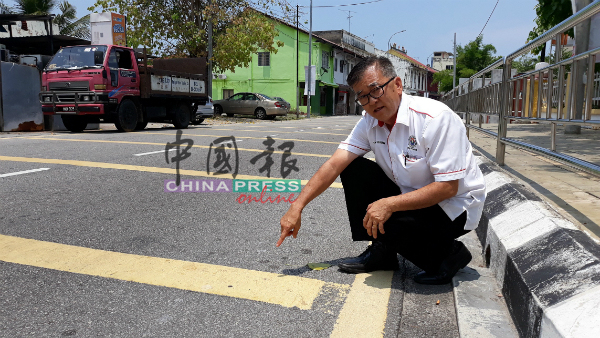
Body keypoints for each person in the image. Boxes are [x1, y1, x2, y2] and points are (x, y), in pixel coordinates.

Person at [277, 56, 486, 285]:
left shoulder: (434, 119)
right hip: (411, 195)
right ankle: (383, 254)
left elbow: (448, 187)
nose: (371, 101)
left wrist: (388, 204)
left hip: (455, 207)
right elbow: (334, 164)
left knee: (389, 220)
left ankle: (450, 255)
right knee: (353, 168)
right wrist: (297, 206)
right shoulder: (369, 122)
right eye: (363, 97)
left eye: (375, 90)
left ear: (397, 85)